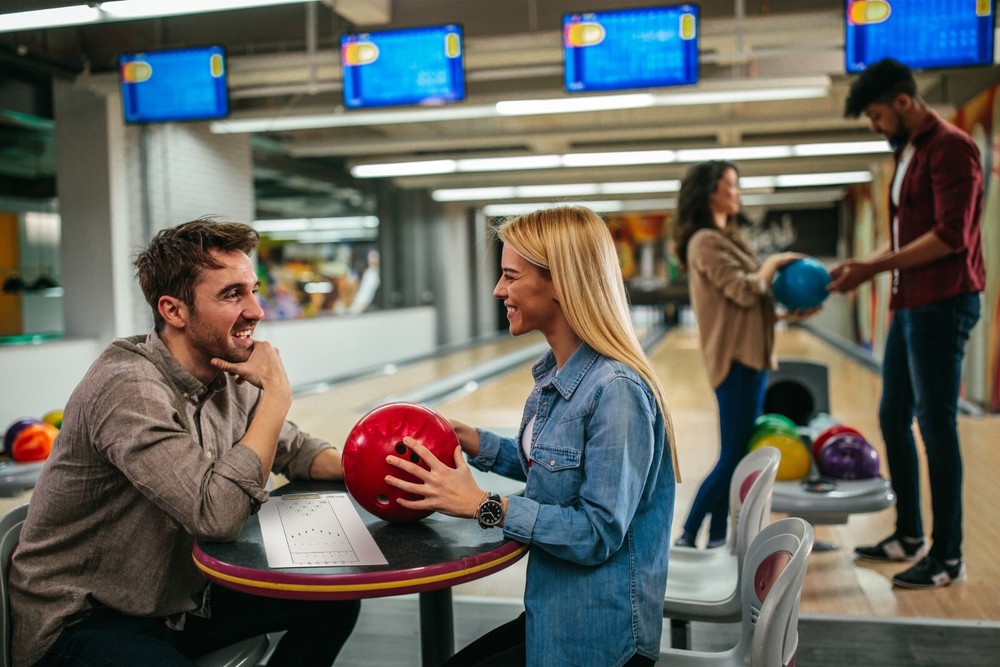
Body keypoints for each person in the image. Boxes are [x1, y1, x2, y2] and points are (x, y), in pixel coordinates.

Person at [9, 217, 360, 666]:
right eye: (233, 294)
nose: (256, 310)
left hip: (179, 605)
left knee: (333, 597)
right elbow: (216, 516)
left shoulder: (226, 370)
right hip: (85, 620)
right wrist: (278, 395)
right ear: (174, 310)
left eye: (253, 290)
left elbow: (293, 448)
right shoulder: (128, 388)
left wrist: (372, 469)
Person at [384, 206, 678, 666]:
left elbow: (597, 533)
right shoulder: (556, 376)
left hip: (599, 640)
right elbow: (557, 471)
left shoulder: (615, 392)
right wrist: (475, 442)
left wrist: (482, 505)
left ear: (560, 282)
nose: (498, 290)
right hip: (555, 617)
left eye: (509, 276)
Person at [830, 58, 985, 589]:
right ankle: (910, 535)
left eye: (875, 115)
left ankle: (948, 556)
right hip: (910, 304)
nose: (874, 127)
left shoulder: (952, 147)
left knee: (935, 427)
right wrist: (866, 270)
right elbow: (904, 242)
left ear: (903, 102)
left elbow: (950, 237)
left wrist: (870, 268)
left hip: (943, 303)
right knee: (893, 416)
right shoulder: (911, 153)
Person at [671, 160, 812, 549]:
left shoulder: (728, 238)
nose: (738, 192)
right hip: (735, 359)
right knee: (733, 456)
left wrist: (787, 314)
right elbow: (746, 290)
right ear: (710, 190)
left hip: (750, 355)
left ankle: (716, 538)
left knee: (734, 454)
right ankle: (687, 534)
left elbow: (749, 304)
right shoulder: (704, 241)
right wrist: (772, 264)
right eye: (731, 184)